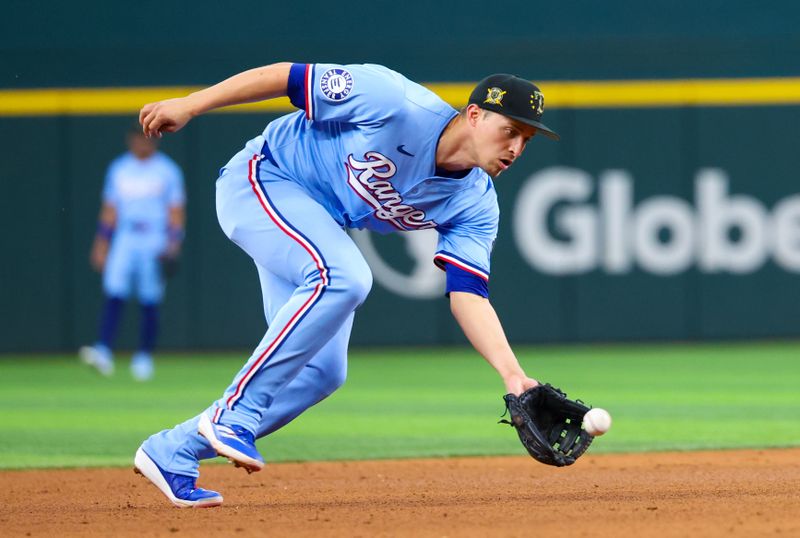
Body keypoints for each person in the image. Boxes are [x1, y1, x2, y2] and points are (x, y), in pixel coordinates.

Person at [132, 62, 558, 507]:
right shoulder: (396, 102)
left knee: (323, 372)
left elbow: (469, 295)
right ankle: (234, 414)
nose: (516, 147)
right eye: (510, 130)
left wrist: (513, 375)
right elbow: (286, 77)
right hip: (263, 179)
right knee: (344, 277)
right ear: (475, 116)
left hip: (314, 224)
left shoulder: (475, 203)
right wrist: (191, 104)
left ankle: (174, 451)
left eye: (526, 139)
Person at [79, 125, 186, 381]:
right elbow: (109, 209)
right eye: (138, 138)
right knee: (114, 291)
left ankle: (144, 357)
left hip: (154, 237)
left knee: (150, 298)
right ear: (130, 140)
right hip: (125, 236)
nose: (142, 143)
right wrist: (101, 244)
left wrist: (173, 244)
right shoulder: (120, 168)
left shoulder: (167, 170)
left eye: (147, 138)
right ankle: (103, 350)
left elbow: (176, 211)